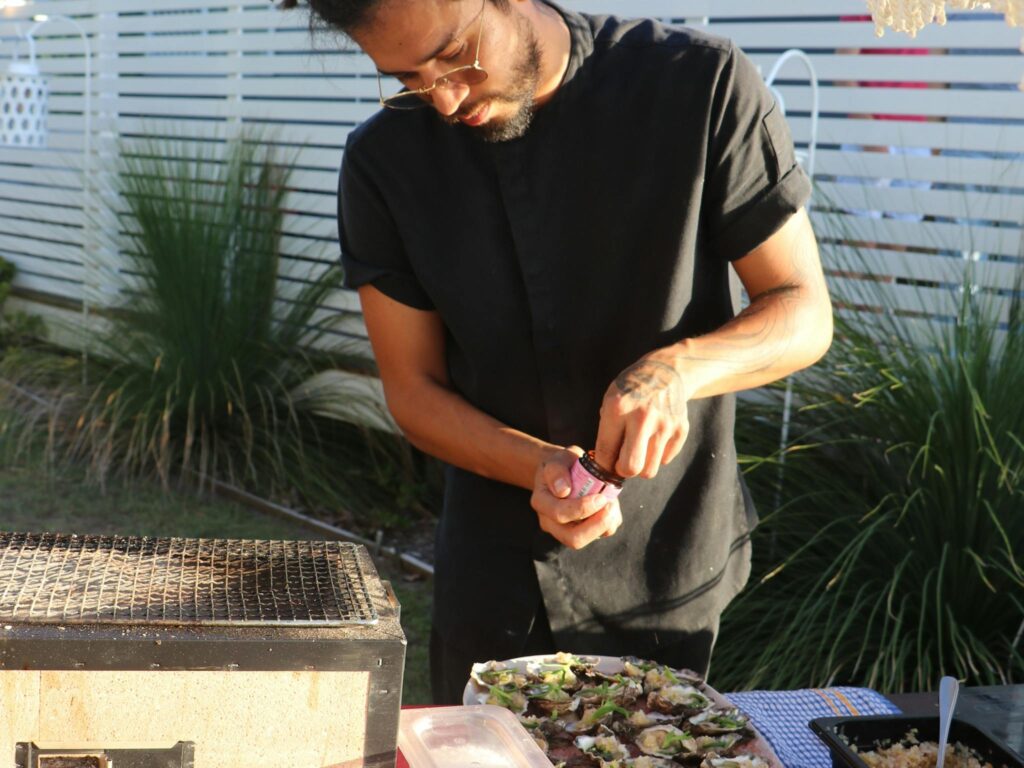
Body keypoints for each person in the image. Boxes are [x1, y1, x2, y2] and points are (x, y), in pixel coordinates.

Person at [286, 0, 834, 704]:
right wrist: (540, 466)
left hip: (667, 556)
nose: (445, 100)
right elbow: (413, 391)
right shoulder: (383, 161)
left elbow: (802, 309)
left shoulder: (699, 84)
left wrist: (674, 370)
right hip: (492, 569)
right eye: (409, 80)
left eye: (454, 55)